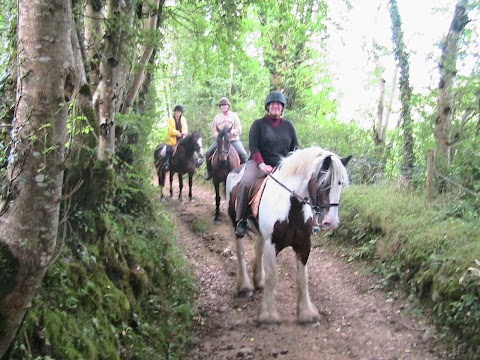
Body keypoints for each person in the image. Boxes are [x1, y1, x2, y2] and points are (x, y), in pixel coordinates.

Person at [234, 91, 299, 237]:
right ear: (268, 106)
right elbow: (254, 147)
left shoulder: (288, 126)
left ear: (282, 108)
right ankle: (241, 220)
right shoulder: (258, 125)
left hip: (283, 166)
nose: (275, 107)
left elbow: (295, 149)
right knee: (245, 183)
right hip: (259, 164)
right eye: (273, 104)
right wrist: (262, 165)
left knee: (302, 185)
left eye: (279, 105)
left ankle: (306, 220)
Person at [205, 97, 248, 180]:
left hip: (233, 140)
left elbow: (239, 128)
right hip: (221, 141)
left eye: (225, 105)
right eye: (221, 106)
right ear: (220, 107)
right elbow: (213, 131)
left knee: (243, 154)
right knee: (208, 153)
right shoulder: (217, 118)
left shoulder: (234, 116)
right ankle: (210, 173)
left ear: (228, 106)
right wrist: (219, 135)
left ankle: (244, 174)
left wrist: (231, 132)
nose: (223, 107)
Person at [164, 105, 188, 169]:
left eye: (180, 112)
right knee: (168, 149)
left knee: (189, 148)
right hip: (172, 139)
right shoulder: (170, 120)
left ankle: (192, 163)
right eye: (177, 112)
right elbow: (170, 129)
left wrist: (184, 132)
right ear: (175, 112)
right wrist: (177, 133)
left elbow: (185, 128)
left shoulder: (183, 119)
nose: (178, 113)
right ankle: (167, 163)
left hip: (182, 139)